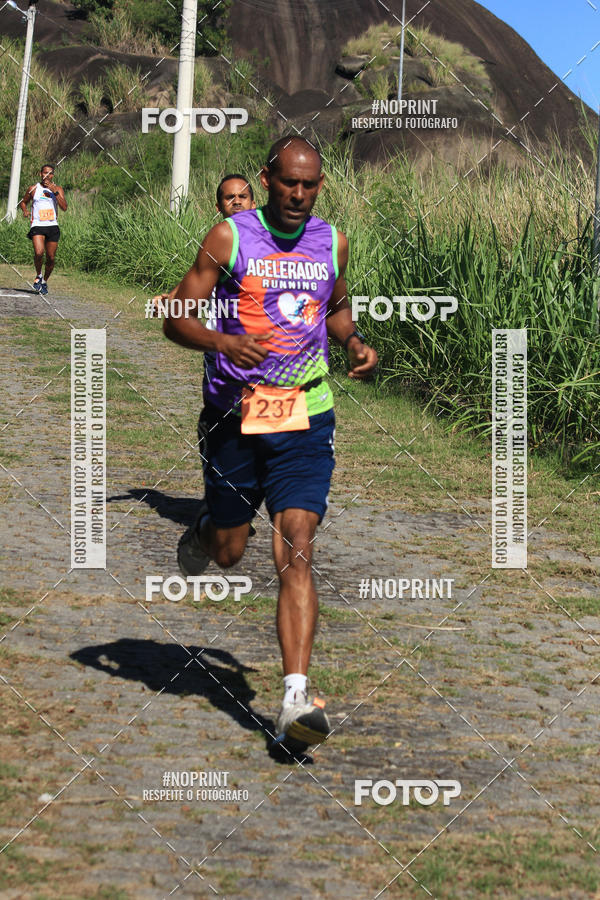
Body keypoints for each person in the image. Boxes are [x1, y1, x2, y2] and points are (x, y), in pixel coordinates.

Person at [162, 137, 377, 754]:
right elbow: (177, 314)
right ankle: (205, 530)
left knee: (297, 545)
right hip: (234, 416)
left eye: (310, 186)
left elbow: (335, 312)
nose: (298, 196)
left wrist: (354, 344)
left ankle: (295, 698)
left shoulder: (330, 241)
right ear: (267, 179)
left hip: (306, 414)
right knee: (230, 552)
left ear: (320, 186)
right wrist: (221, 343)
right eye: (288, 183)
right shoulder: (231, 237)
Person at [19, 165, 67, 295]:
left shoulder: (58, 189)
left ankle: (44, 281)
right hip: (37, 225)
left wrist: (55, 192)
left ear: (53, 176)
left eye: (50, 174)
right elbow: (23, 202)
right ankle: (39, 275)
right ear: (40, 174)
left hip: (52, 226)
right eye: (45, 173)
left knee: (51, 258)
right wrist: (25, 210)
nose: (47, 176)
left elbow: (64, 207)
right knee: (39, 252)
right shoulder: (33, 189)